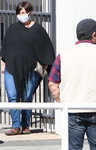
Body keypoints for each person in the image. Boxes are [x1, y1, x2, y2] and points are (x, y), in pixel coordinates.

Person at [0, 2, 55, 135]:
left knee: (26, 97)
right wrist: (3, 63)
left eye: (23, 12)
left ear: (30, 13)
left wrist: (43, 67)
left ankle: (25, 125)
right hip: (11, 68)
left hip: (31, 70)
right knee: (12, 96)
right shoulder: (12, 28)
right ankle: (15, 126)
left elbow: (46, 49)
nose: (20, 15)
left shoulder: (38, 30)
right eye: (19, 13)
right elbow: (6, 48)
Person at [48, 18, 96, 150]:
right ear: (94, 35)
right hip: (95, 109)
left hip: (73, 109)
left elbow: (52, 83)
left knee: (74, 148)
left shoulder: (63, 55)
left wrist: (61, 101)